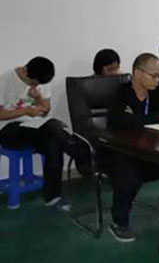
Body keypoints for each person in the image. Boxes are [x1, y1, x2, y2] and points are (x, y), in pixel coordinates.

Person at [106, 53, 159, 242]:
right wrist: (156, 118)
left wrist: (137, 119)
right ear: (138, 73)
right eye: (154, 75)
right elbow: (117, 121)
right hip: (120, 150)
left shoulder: (157, 92)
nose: (158, 80)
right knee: (128, 172)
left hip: (150, 148)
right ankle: (119, 222)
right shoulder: (122, 93)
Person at [0, 57, 91, 212]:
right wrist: (25, 110)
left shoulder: (41, 81)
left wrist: (38, 98)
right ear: (25, 70)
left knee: (53, 142)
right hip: (8, 130)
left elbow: (45, 111)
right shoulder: (5, 80)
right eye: (33, 82)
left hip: (35, 127)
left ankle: (52, 197)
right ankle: (82, 153)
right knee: (53, 127)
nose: (35, 86)